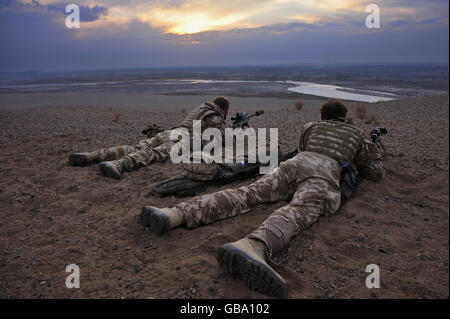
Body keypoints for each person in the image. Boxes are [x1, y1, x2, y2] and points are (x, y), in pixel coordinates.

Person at [140, 100, 385, 298]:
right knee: (300, 209)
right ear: (343, 117)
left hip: (293, 165)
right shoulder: (355, 134)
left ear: (323, 117)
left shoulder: (311, 127)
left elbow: (301, 148)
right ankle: (254, 245)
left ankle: (175, 214)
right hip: (322, 172)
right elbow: (373, 173)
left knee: (248, 194)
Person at [68, 97, 229, 179]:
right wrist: (224, 125)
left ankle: (93, 155)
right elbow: (220, 134)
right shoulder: (214, 115)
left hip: (171, 131)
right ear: (222, 109)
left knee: (138, 146)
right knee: (156, 153)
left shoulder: (202, 108)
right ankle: (119, 164)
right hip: (183, 138)